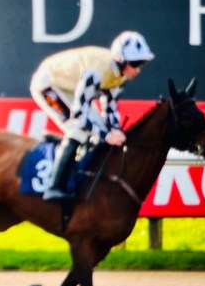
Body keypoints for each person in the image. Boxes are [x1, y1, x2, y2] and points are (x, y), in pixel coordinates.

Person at [29, 31, 154, 200]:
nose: (138, 70)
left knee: (100, 129)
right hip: (48, 84)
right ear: (120, 60)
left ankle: (79, 168)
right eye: (135, 63)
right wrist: (106, 135)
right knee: (77, 130)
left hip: (71, 86)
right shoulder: (96, 72)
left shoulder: (120, 75)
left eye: (141, 64)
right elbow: (79, 114)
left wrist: (115, 130)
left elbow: (110, 108)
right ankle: (53, 187)